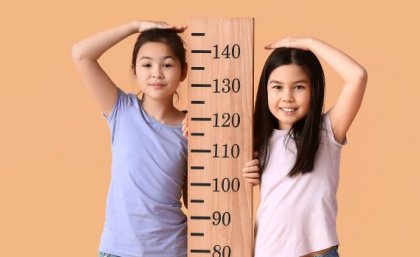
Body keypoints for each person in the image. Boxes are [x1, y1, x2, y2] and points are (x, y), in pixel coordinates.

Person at [71, 20, 189, 257]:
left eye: (167, 64)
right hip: (118, 250)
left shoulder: (192, 128)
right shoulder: (121, 110)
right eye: (147, 64)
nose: (156, 73)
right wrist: (134, 26)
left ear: (183, 71)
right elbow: (81, 54)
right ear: (135, 71)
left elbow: (195, 201)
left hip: (172, 250)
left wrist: (201, 136)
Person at [242, 37, 368, 257]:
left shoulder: (327, 132)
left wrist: (308, 43)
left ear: (314, 89)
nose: (287, 97)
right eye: (277, 87)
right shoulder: (256, 140)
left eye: (298, 87)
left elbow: (357, 76)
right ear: (265, 90)